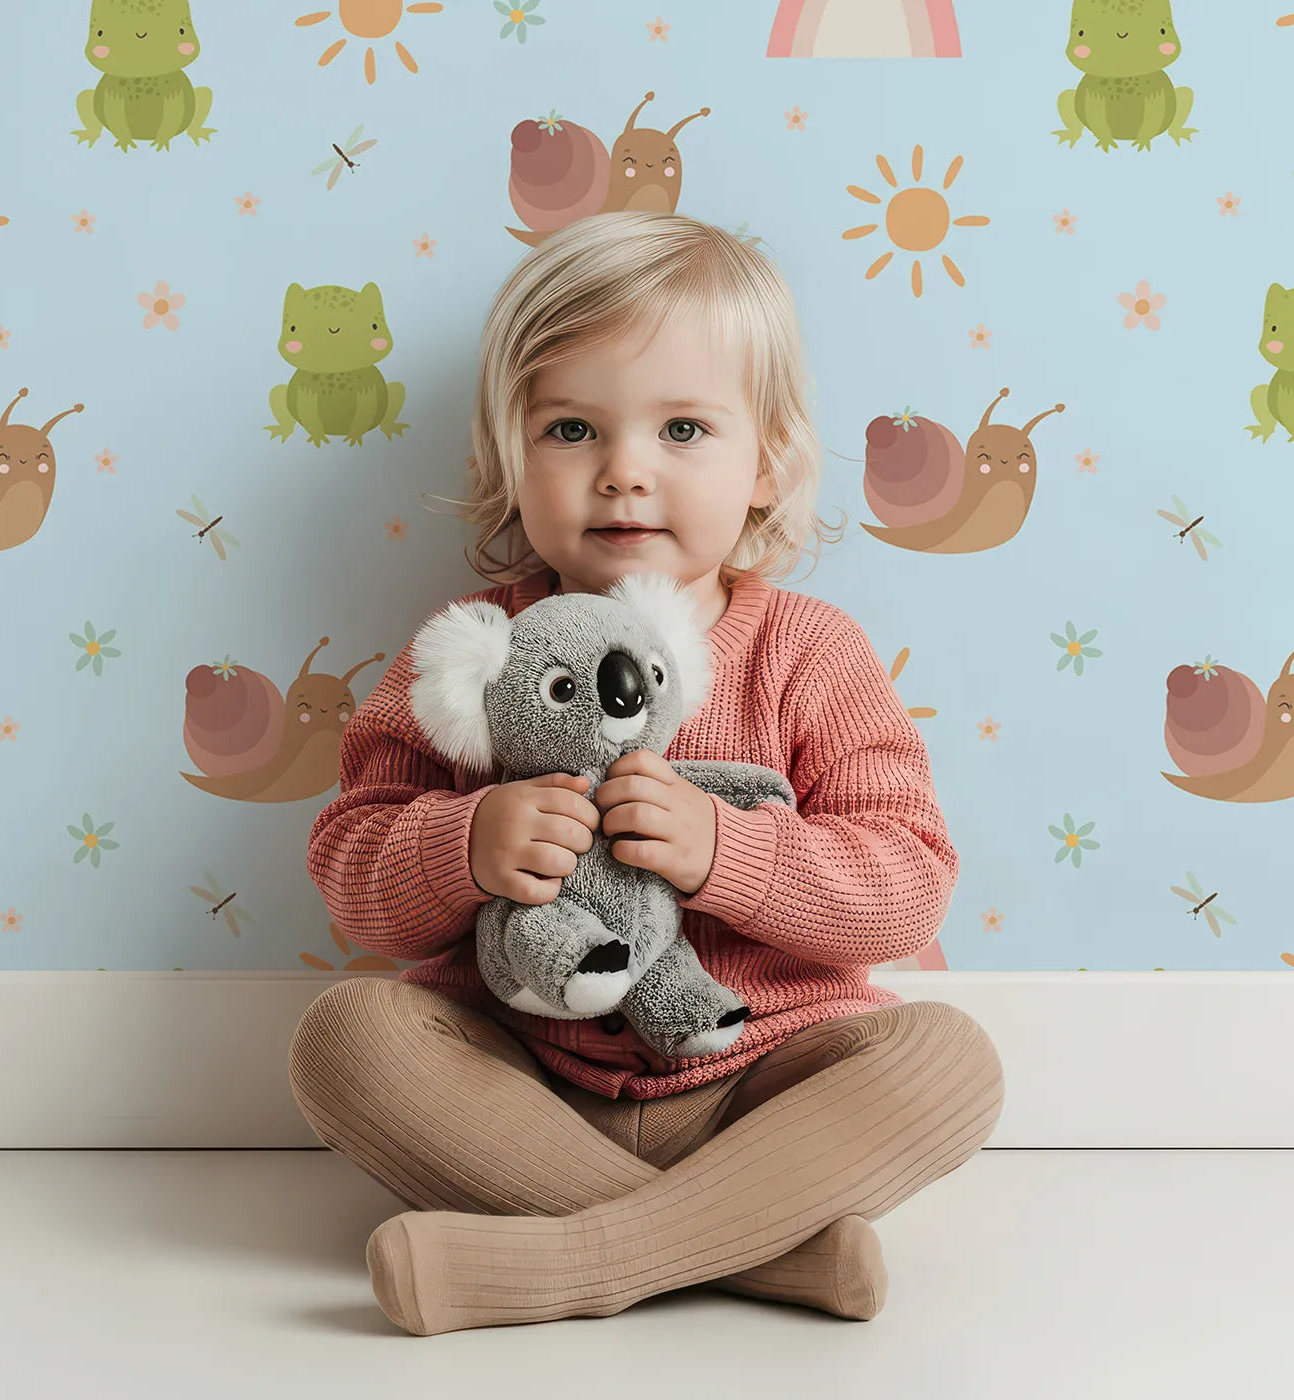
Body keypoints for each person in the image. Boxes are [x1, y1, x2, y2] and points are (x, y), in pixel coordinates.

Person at [288, 210, 1005, 1337]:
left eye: (681, 428)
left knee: (944, 1060)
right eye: (571, 428)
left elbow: (907, 883)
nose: (623, 472)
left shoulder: (807, 652)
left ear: (765, 461)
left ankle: (584, 1259)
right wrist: (463, 843)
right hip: (524, 1084)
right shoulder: (471, 649)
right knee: (345, 1037)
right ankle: (763, 1251)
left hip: (762, 1073)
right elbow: (349, 859)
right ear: (508, 459)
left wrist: (731, 853)